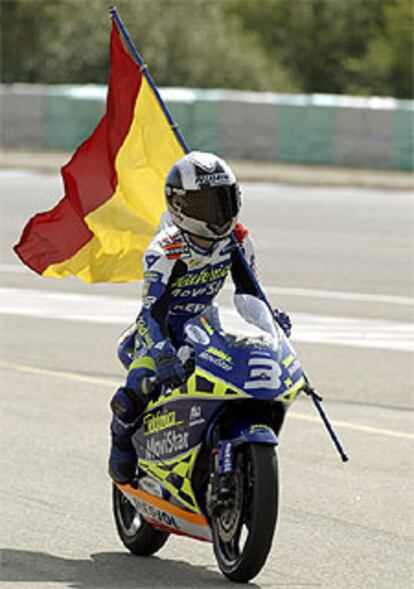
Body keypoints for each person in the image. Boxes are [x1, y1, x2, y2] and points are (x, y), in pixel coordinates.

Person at [108, 151, 292, 484]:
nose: (218, 213)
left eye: (223, 200)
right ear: (181, 207)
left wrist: (270, 323)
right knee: (134, 392)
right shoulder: (167, 249)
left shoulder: (236, 240)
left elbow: (249, 294)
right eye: (207, 205)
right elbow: (152, 312)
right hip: (159, 331)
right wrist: (162, 352)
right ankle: (120, 444)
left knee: (234, 378)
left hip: (204, 326)